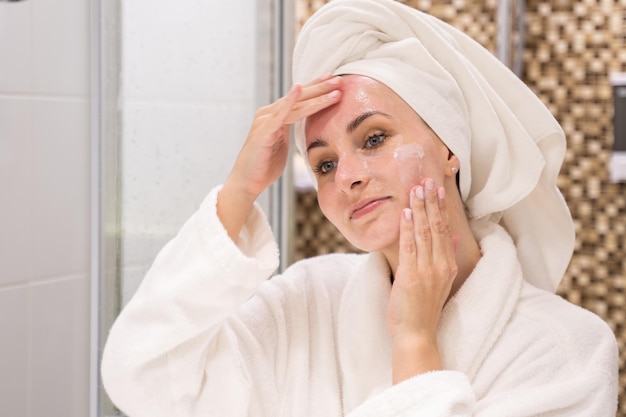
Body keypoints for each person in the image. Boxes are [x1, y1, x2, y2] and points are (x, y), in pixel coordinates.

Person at [101, 0, 619, 415]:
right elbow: (143, 374)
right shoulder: (308, 302)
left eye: (373, 138)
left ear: (449, 148)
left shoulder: (565, 351)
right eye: (324, 164)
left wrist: (414, 341)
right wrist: (240, 189)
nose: (346, 175)